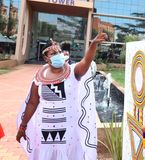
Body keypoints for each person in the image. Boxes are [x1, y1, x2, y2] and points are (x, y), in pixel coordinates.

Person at [16, 32, 108, 160]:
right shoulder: (39, 78)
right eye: (53, 53)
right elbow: (32, 102)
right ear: (46, 58)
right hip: (44, 131)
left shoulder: (73, 72)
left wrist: (93, 45)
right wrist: (23, 126)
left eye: (59, 52)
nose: (58, 55)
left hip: (68, 132)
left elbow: (86, 61)